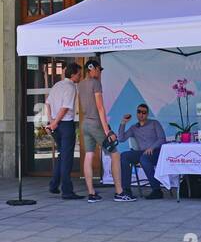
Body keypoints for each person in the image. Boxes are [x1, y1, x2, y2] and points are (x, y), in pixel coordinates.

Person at [76, 60, 134, 203]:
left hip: (85, 124)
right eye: (99, 70)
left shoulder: (81, 84)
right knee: (115, 155)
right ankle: (119, 192)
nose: (100, 72)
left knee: (89, 156)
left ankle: (91, 193)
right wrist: (107, 131)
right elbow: (100, 108)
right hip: (96, 124)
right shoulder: (95, 83)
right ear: (92, 69)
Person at [45, 62, 82, 200]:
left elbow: (47, 103)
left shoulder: (57, 85)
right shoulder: (71, 87)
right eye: (79, 74)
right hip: (65, 124)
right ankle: (67, 191)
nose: (80, 76)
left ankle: (54, 184)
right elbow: (65, 108)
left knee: (62, 155)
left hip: (56, 124)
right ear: (72, 75)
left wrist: (51, 121)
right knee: (67, 158)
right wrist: (54, 123)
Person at [117, 103, 167, 199]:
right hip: (142, 152)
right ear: (136, 113)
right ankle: (126, 189)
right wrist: (123, 123)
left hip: (156, 152)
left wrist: (152, 148)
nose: (141, 114)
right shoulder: (134, 127)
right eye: (139, 112)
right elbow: (121, 138)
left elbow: (162, 139)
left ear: (147, 114)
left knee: (144, 158)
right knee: (124, 155)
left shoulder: (154, 123)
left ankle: (157, 190)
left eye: (144, 112)